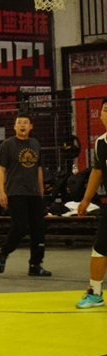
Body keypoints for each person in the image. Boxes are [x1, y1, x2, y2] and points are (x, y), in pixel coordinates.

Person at [0, 113, 51, 277]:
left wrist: (41, 190)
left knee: (38, 229)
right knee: (19, 226)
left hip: (34, 193)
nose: (22, 125)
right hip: (15, 192)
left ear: (31, 126)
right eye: (19, 123)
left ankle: (35, 264)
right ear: (14, 126)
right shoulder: (7, 145)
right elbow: (0, 169)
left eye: (25, 123)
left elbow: (39, 168)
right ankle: (4, 252)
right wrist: (1, 191)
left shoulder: (35, 144)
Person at [76, 96, 107, 309]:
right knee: (100, 248)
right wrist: (85, 200)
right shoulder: (100, 143)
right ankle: (95, 293)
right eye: (105, 110)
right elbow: (97, 172)